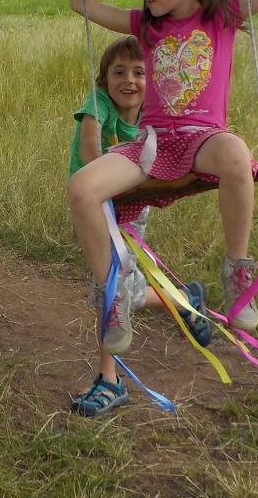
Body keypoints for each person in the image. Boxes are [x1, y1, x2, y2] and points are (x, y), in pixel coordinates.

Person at [65, 0, 258, 355]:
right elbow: (83, 4)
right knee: (82, 188)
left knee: (235, 152)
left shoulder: (223, 17)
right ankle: (115, 295)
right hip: (151, 144)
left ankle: (237, 271)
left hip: (202, 140)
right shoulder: (146, 26)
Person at [67, 35, 213, 417]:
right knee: (120, 292)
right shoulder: (99, 103)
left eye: (138, 72)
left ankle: (109, 380)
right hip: (95, 209)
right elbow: (89, 145)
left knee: (111, 291)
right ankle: (181, 299)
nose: (128, 80)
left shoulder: (152, 115)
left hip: (130, 210)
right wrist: (101, 184)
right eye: (119, 72)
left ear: (153, 82)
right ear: (105, 80)